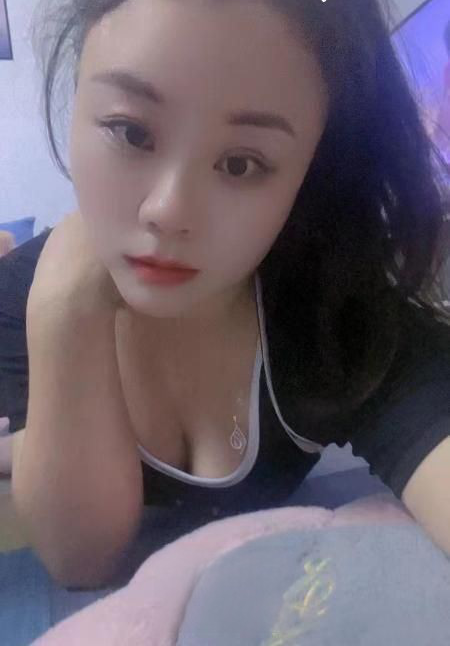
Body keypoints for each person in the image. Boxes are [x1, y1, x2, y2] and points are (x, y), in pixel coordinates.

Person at [0, 0, 449, 590]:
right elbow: (81, 560)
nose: (168, 211)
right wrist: (64, 310)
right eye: (132, 132)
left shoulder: (327, 307)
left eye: (241, 164)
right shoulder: (16, 301)